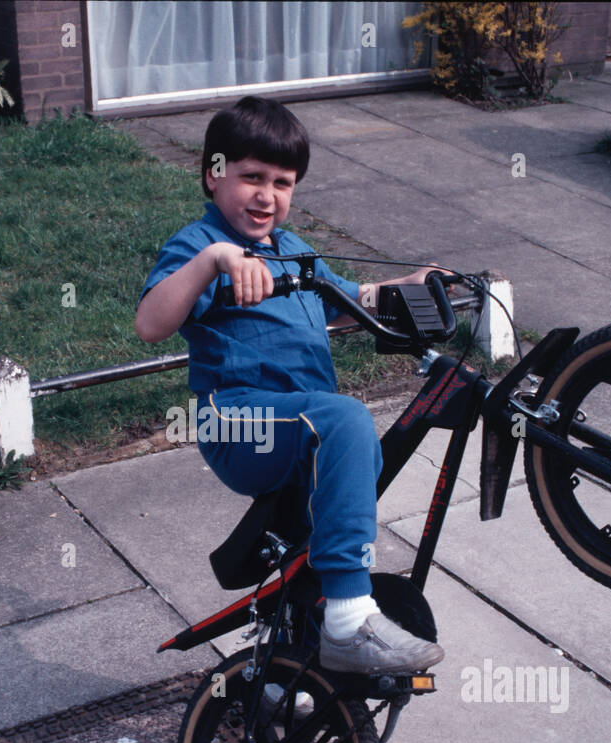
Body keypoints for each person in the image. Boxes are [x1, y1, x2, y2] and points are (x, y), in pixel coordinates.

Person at [135, 95, 444, 675]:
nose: (266, 195)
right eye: (251, 176)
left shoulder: (296, 252)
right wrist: (214, 263)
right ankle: (351, 621)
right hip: (237, 421)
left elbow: (352, 304)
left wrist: (417, 281)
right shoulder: (199, 246)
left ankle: (281, 673)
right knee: (348, 419)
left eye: (282, 182)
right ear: (213, 173)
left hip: (301, 430)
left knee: (315, 536)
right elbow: (151, 323)